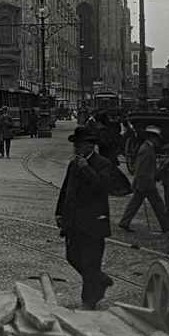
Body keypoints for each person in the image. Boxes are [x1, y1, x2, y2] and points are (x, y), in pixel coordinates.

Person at [55, 126, 114, 310]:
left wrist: (87, 168)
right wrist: (59, 212)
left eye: (80, 144)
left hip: (93, 222)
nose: (77, 147)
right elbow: (66, 188)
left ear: (91, 145)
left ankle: (88, 302)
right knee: (72, 256)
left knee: (90, 262)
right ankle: (101, 280)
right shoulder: (74, 163)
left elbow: (102, 187)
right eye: (75, 144)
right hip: (74, 221)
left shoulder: (103, 163)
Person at [119, 124, 169, 240]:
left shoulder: (147, 147)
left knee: (135, 203)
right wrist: (142, 184)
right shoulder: (146, 149)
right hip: (146, 183)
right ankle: (166, 226)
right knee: (158, 203)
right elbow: (141, 169)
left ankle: (125, 222)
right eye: (157, 138)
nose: (158, 141)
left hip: (144, 182)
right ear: (151, 138)